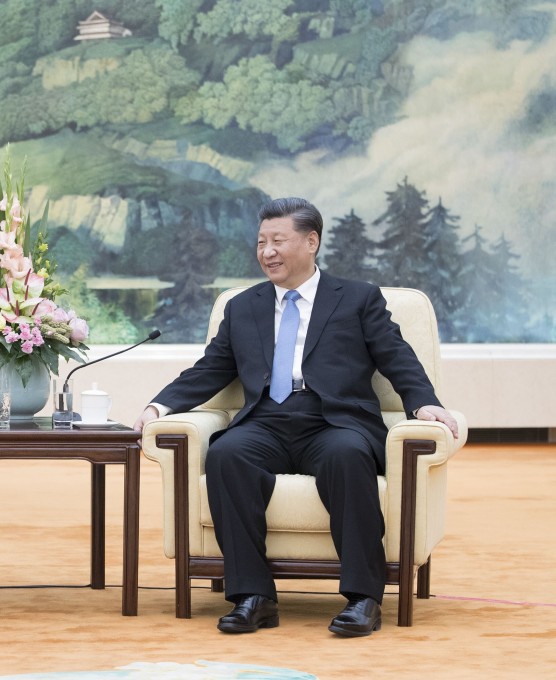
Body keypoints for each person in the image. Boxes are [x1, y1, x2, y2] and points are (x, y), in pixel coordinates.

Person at [134, 197, 459, 638]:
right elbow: (212, 367)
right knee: (227, 455)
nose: (267, 251)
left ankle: (364, 598)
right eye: (262, 241)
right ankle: (254, 597)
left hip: (334, 422)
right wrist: (159, 406)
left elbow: (396, 356)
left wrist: (423, 402)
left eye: (278, 241)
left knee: (348, 457)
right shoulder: (243, 306)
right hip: (266, 420)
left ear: (311, 242)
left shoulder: (358, 299)